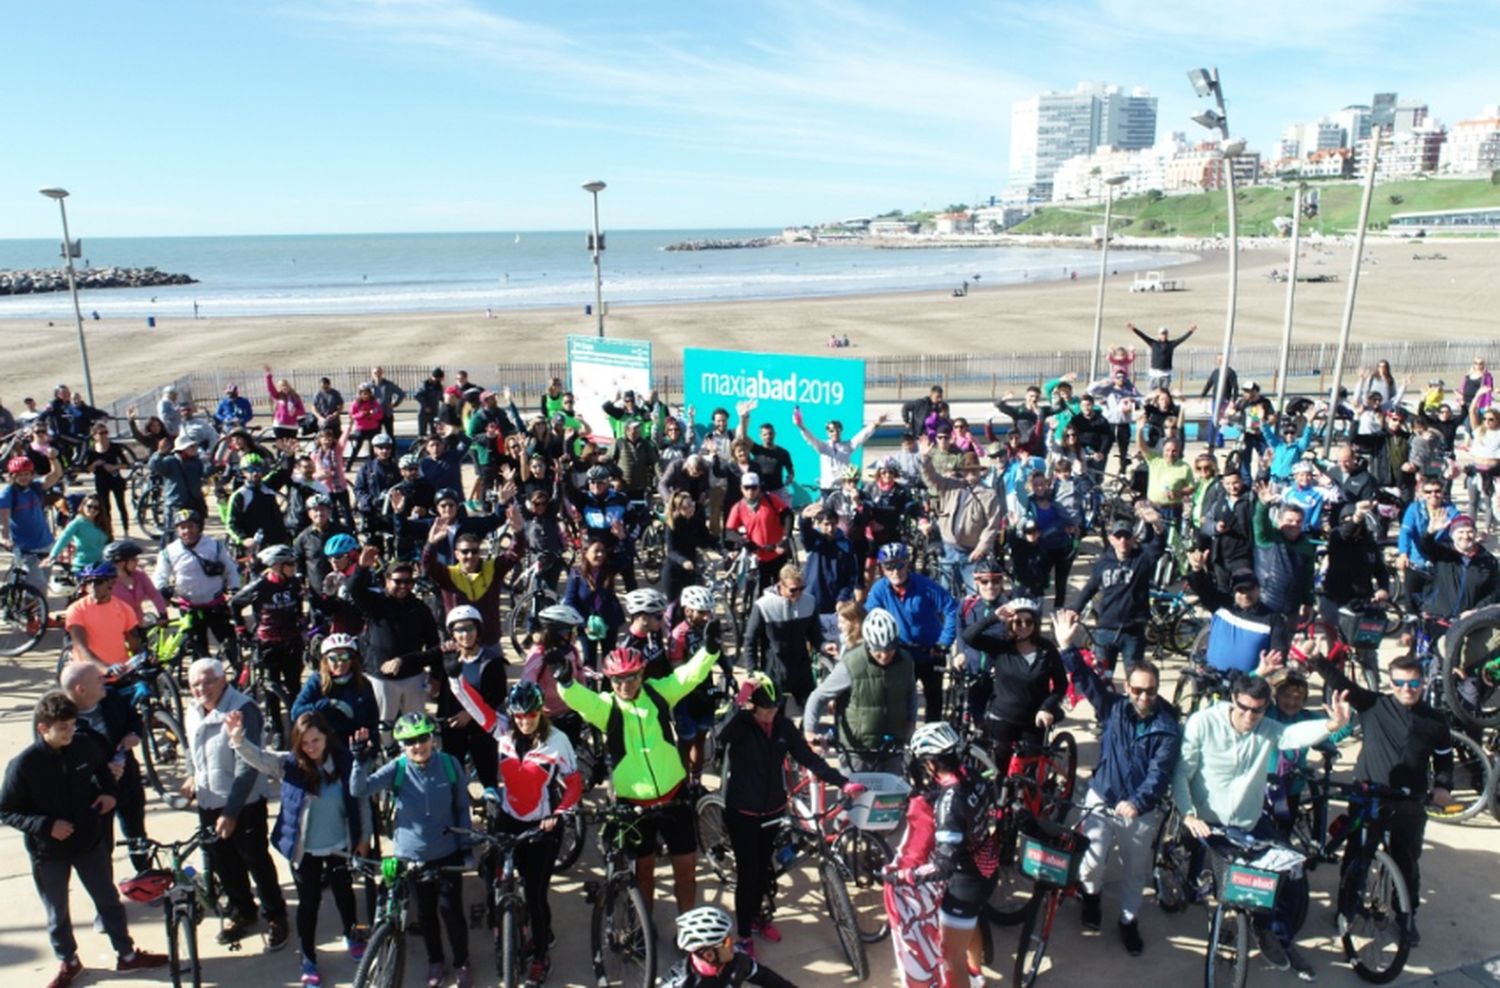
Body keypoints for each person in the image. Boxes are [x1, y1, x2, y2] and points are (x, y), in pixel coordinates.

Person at [1172, 674, 1351, 979]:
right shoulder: (1203, 723)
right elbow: (1182, 773)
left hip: (1249, 821)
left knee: (1293, 872)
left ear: (1266, 707)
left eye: (1257, 710)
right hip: (1209, 822)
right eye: (1243, 708)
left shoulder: (1267, 728)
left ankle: (1270, 933)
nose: (1249, 716)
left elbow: (1292, 736)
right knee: (1222, 887)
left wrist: (1331, 725)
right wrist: (1188, 814)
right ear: (1232, 699)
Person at [548, 629, 723, 925]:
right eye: (617, 679)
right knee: (644, 873)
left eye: (631, 676)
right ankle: (644, 930)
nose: (625, 684)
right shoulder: (607, 707)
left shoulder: (657, 692)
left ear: (642, 674)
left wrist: (708, 650)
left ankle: (688, 929)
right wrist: (565, 681)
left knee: (686, 869)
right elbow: (582, 700)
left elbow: (688, 675)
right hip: (634, 806)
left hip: (674, 796)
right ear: (610, 681)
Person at [0, 692, 167, 988]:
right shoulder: (23, 765)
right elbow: (6, 810)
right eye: (63, 728)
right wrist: (46, 825)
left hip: (88, 842)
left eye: (72, 725)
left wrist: (109, 796)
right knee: (57, 911)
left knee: (108, 901)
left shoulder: (85, 746)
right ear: (43, 728)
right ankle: (69, 961)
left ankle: (127, 955)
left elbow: (105, 776)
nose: (70, 733)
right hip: (48, 852)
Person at [1053, 611, 1180, 956]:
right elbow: (1086, 680)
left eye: (1150, 692)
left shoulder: (1168, 727)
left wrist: (1138, 802)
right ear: (1128, 687)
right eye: (1137, 690)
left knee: (1135, 870)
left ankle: (1128, 920)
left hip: (1139, 811)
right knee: (1091, 861)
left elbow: (1160, 773)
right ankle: (1090, 898)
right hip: (1103, 795)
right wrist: (1067, 647)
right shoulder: (1114, 708)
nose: (1143, 698)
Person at [1309, 652, 1453, 946]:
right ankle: (1347, 908)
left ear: (1423, 682)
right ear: (1390, 681)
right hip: (1368, 795)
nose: (1407, 688)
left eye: (1413, 682)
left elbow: (1444, 761)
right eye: (1399, 682)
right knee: (1357, 857)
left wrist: (1442, 787)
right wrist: (1316, 660)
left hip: (1409, 800)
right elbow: (1342, 683)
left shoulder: (1436, 720)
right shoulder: (1373, 704)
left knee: (1407, 863)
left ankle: (1407, 917)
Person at [449, 680, 582, 984]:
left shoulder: (558, 741)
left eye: (530, 715)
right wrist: (455, 677)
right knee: (492, 868)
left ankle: (540, 956)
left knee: (535, 895)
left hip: (542, 824)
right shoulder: (503, 730)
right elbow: (476, 706)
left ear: (540, 712)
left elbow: (574, 783)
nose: (524, 721)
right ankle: (505, 923)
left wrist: (559, 813)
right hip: (510, 818)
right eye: (519, 716)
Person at [718, 672, 860, 956]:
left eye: (774, 709)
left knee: (764, 870)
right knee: (748, 874)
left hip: (772, 809)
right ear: (752, 706)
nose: (770, 714)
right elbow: (721, 735)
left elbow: (808, 758)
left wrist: (842, 781)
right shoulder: (742, 725)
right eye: (764, 709)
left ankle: (758, 918)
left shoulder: (783, 726)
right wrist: (738, 702)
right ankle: (744, 934)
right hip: (742, 812)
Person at [227, 709, 371, 986]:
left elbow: (362, 800)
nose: (311, 748)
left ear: (326, 737)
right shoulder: (290, 765)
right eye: (304, 743)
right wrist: (238, 739)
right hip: (304, 851)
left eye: (315, 740)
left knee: (345, 894)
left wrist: (363, 838)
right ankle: (308, 957)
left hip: (340, 845)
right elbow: (261, 759)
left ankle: (352, 935)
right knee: (309, 904)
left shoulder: (344, 762)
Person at [351, 713, 473, 988]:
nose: (417, 746)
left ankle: (462, 962)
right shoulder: (398, 768)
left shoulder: (450, 765)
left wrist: (466, 849)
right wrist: (360, 762)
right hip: (411, 857)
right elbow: (358, 789)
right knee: (426, 914)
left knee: (451, 912)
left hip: (447, 854)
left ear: (432, 738)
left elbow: (462, 807)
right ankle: (436, 961)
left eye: (422, 738)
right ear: (402, 745)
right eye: (409, 741)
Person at [183, 657, 290, 949]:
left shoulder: (243, 709)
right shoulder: (192, 711)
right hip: (208, 801)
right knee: (223, 861)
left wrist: (231, 812)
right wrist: (191, 775)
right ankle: (243, 910)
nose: (201, 689)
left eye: (208, 682)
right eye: (195, 684)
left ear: (222, 680)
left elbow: (248, 766)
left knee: (255, 859)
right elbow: (189, 746)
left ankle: (275, 914)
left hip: (244, 803)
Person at [886, 722, 1001, 988]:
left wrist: (906, 875)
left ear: (931, 763)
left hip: (964, 882)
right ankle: (977, 971)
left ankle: (967, 974)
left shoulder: (949, 803)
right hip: (987, 866)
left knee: (950, 958)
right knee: (971, 922)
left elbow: (944, 865)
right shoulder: (972, 775)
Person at [58, 662, 151, 872]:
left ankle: (145, 875)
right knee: (102, 846)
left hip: (128, 781)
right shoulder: (60, 723)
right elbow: (58, 769)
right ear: (80, 689)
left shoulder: (111, 697)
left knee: (136, 834)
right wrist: (96, 775)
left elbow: (133, 719)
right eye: (97, 679)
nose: (104, 681)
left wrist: (133, 734)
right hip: (95, 796)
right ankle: (107, 895)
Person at [802, 608, 917, 773]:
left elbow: (911, 693)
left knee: (892, 798)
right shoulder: (851, 664)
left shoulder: (905, 661)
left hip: (893, 747)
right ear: (868, 644)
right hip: (857, 752)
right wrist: (810, 731)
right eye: (878, 651)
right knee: (856, 797)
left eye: (890, 649)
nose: (884, 655)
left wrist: (911, 722)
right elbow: (818, 697)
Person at [1065, 507, 1166, 678]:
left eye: (1126, 536)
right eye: (1118, 537)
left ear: (1133, 538)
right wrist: (1075, 609)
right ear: (1112, 539)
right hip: (1105, 630)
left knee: (1134, 679)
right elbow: (1090, 587)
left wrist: (1157, 523)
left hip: (1133, 631)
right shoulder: (1103, 562)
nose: (1123, 541)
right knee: (1103, 679)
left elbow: (1159, 544)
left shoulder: (1142, 558)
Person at [864, 542, 959, 723]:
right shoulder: (879, 589)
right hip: (900, 653)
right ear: (882, 569)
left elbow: (952, 608)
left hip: (931, 651)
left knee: (934, 702)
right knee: (900, 702)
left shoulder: (925, 585)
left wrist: (944, 642)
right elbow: (871, 616)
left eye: (899, 564)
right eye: (889, 566)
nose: (895, 571)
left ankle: (934, 744)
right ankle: (902, 742)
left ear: (907, 563)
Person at [958, 597, 1068, 753]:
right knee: (1000, 771)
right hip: (1002, 719)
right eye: (1018, 622)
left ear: (1035, 623)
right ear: (1010, 623)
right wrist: (993, 618)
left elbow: (1061, 684)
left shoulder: (1047, 649)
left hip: (1034, 721)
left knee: (1030, 770)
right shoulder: (1001, 645)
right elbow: (968, 636)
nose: (1023, 626)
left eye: (1028, 622)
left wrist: (1047, 708)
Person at [347, 547, 442, 726]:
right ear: (386, 581)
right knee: (384, 726)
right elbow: (353, 589)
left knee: (416, 726)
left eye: (408, 582)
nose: (404, 586)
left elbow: (433, 642)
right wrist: (361, 567)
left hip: (414, 677)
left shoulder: (420, 608)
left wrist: (435, 675)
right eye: (398, 581)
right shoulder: (375, 603)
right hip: (381, 679)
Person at [742, 563, 826, 709]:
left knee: (812, 711)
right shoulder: (763, 606)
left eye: (802, 589)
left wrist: (824, 646)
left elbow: (815, 634)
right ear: (781, 585)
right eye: (793, 590)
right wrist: (752, 671)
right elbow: (750, 640)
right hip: (774, 671)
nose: (798, 594)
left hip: (802, 669)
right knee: (774, 717)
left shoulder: (810, 602)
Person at [920, 448, 1002, 594]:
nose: (970, 475)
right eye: (967, 471)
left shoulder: (989, 494)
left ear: (979, 472)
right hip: (948, 549)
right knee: (946, 591)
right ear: (962, 472)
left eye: (974, 471)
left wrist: (981, 548)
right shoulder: (950, 484)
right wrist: (925, 458)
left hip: (972, 552)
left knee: (975, 593)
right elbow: (930, 477)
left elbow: (992, 525)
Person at [662, 906, 797, 988]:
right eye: (726, 942)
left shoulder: (738, 961)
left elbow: (767, 978)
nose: (733, 943)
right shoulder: (681, 984)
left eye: (730, 937)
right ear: (709, 955)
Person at [291, 633, 381, 745]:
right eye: (333, 658)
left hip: (355, 744)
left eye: (345, 657)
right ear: (325, 661)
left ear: (352, 659)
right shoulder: (316, 681)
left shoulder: (363, 683)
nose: (340, 663)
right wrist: (330, 704)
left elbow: (372, 719)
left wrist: (373, 743)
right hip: (325, 744)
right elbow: (295, 712)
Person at [1, 451, 64, 595]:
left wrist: (53, 458)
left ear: (31, 474)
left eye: (27, 474)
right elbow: (4, 520)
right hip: (25, 549)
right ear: (12, 476)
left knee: (42, 583)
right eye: (19, 475)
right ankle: (28, 611)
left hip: (45, 543)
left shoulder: (35, 487)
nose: (24, 478)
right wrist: (4, 538)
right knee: (37, 585)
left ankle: (37, 615)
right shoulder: (8, 494)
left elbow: (56, 475)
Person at [64, 562, 140, 671]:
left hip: (120, 673)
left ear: (111, 582)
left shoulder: (125, 609)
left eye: (98, 582)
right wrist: (106, 668)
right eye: (89, 582)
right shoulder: (76, 609)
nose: (93, 586)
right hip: (89, 675)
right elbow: (81, 647)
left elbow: (135, 645)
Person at [1130, 323, 1195, 392]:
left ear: (1167, 335)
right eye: (1162, 334)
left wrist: (1190, 332)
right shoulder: (1153, 343)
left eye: (1165, 334)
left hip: (1165, 374)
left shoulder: (1171, 344)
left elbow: (1182, 339)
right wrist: (1134, 329)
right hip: (1154, 374)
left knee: (1164, 393)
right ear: (1159, 335)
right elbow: (1143, 336)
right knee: (1152, 393)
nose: (1163, 335)